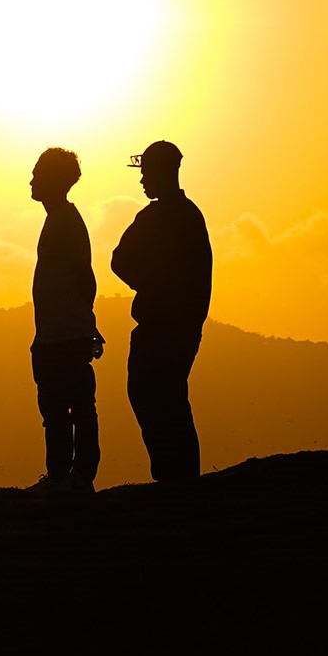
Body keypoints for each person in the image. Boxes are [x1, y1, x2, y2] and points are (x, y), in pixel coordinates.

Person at [110, 140, 214, 488]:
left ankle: (175, 478)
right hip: (181, 328)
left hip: (161, 328)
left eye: (145, 173)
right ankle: (179, 477)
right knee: (167, 398)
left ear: (160, 172)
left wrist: (148, 284)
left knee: (154, 396)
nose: (141, 181)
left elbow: (119, 261)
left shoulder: (157, 217)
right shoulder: (189, 216)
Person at [28, 146, 101, 495]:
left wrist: (85, 323)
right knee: (57, 408)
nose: (31, 180)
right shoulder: (59, 219)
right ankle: (60, 476)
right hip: (53, 333)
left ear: (53, 181)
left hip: (65, 333)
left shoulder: (66, 222)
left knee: (75, 406)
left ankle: (79, 476)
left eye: (37, 174)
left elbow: (84, 277)